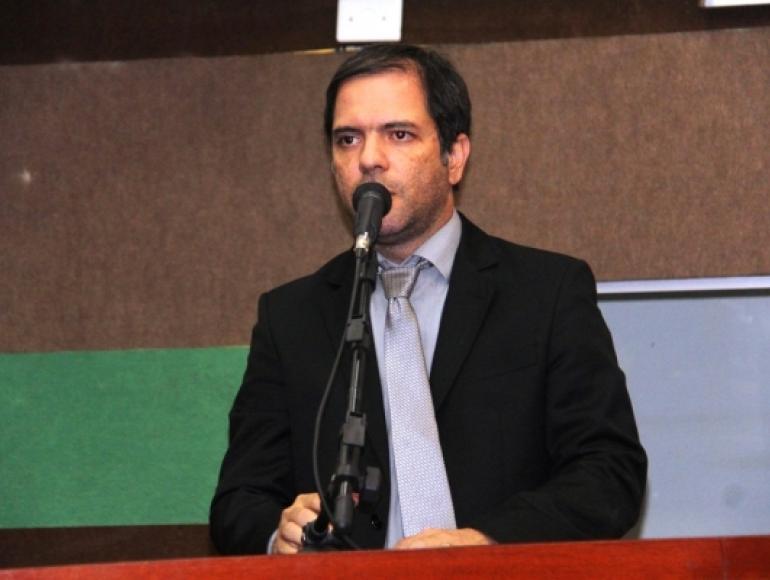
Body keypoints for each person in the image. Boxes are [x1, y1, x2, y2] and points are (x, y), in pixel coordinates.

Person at [209, 43, 647, 555]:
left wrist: (486, 543)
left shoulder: (546, 293)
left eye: (399, 134)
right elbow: (239, 500)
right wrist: (277, 532)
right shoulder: (291, 318)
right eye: (348, 139)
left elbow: (609, 472)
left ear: (454, 156)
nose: (369, 159)